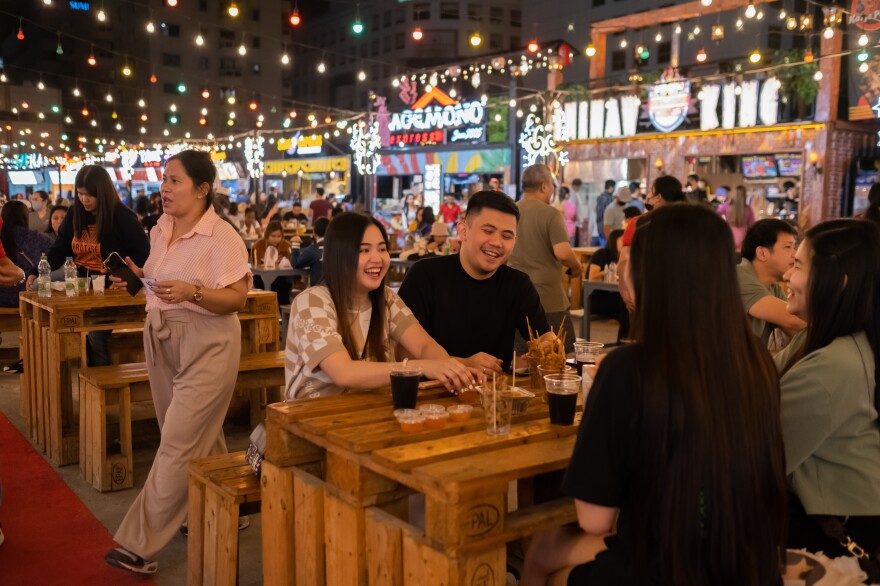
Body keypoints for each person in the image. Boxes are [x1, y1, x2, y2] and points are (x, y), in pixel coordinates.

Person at [523, 204, 787, 586]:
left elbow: (593, 519)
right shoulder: (758, 363)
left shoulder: (627, 369)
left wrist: (603, 410)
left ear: (649, 274)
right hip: (747, 561)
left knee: (542, 549)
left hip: (667, 566)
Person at [104, 149, 252, 576]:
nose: (164, 188)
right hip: (160, 335)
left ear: (202, 189)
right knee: (190, 431)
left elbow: (237, 299)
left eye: (175, 181)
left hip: (208, 341)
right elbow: (158, 285)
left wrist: (194, 293)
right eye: (164, 180)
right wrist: (136, 279)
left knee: (176, 443)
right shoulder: (159, 228)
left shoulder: (221, 236)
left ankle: (137, 544)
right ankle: (229, 502)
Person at [284, 212, 479, 400]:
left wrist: (447, 368)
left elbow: (424, 345)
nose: (377, 258)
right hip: (311, 419)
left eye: (382, 248)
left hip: (369, 412)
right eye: (364, 250)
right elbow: (344, 373)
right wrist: (421, 367)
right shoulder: (311, 301)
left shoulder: (386, 298)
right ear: (339, 256)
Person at [774, 219, 880, 556]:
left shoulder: (831, 369)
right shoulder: (822, 336)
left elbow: (754, 459)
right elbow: (758, 379)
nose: (787, 276)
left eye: (798, 265)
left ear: (839, 283)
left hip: (832, 537)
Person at [398, 190, 550, 374]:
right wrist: (464, 364)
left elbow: (543, 337)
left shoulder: (517, 284)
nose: (497, 242)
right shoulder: (425, 275)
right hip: (431, 396)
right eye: (488, 231)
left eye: (507, 236)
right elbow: (403, 355)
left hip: (493, 395)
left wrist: (549, 347)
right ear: (463, 231)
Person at [27, 165, 150, 366]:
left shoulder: (120, 215)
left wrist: (125, 276)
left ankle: (99, 387)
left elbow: (144, 252)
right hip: (83, 284)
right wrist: (35, 271)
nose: (84, 199)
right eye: (80, 193)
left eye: (89, 195)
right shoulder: (76, 212)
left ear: (102, 193)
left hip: (111, 289)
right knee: (39, 294)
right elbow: (59, 248)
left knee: (96, 336)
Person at [508, 164, 581, 354]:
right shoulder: (550, 214)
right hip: (548, 299)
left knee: (521, 360)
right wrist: (577, 267)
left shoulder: (510, 212)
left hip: (514, 297)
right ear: (543, 186)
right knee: (557, 357)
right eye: (552, 186)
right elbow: (563, 252)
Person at [617, 176, 686, 312]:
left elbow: (625, 260)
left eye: (650, 191)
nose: (648, 196)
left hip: (646, 290)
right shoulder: (688, 222)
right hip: (682, 292)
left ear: (658, 197)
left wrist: (625, 291)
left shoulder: (639, 222)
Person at [738, 219, 806, 347]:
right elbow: (792, 322)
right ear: (762, 253)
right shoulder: (740, 277)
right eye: (788, 247)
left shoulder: (772, 287)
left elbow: (796, 326)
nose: (795, 254)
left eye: (794, 247)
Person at [0, 201, 50, 307]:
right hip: (30, 294)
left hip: (2, 297)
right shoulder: (39, 238)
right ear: (26, 217)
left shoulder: (2, 238)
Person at [587, 229, 629, 343]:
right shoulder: (602, 254)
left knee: (629, 305)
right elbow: (592, 276)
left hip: (613, 295)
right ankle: (622, 340)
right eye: (622, 240)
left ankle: (624, 338)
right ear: (613, 241)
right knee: (626, 308)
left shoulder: (623, 257)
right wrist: (608, 271)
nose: (624, 243)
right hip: (597, 296)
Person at [717, 186, 756, 252]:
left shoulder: (726, 206)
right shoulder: (748, 209)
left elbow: (715, 216)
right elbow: (752, 226)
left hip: (729, 236)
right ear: (744, 196)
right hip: (743, 239)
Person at [292, 216, 328, 286]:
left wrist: (295, 245)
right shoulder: (338, 249)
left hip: (318, 291)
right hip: (337, 292)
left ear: (314, 232)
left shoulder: (312, 250)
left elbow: (295, 263)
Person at [595, 180, 615, 246]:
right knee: (604, 246)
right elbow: (600, 213)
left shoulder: (606, 197)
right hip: (604, 225)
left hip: (604, 225)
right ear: (611, 187)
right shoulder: (605, 198)